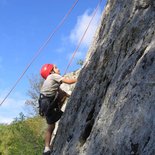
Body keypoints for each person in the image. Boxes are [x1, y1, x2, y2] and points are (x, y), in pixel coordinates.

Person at [39, 63, 77, 155]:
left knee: (51, 126)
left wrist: (68, 95)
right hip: (48, 102)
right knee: (62, 117)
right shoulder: (53, 76)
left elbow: (61, 92)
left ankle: (46, 148)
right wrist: (80, 78)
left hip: (43, 103)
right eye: (55, 68)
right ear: (50, 71)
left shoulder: (49, 81)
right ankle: (68, 135)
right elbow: (69, 81)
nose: (58, 69)